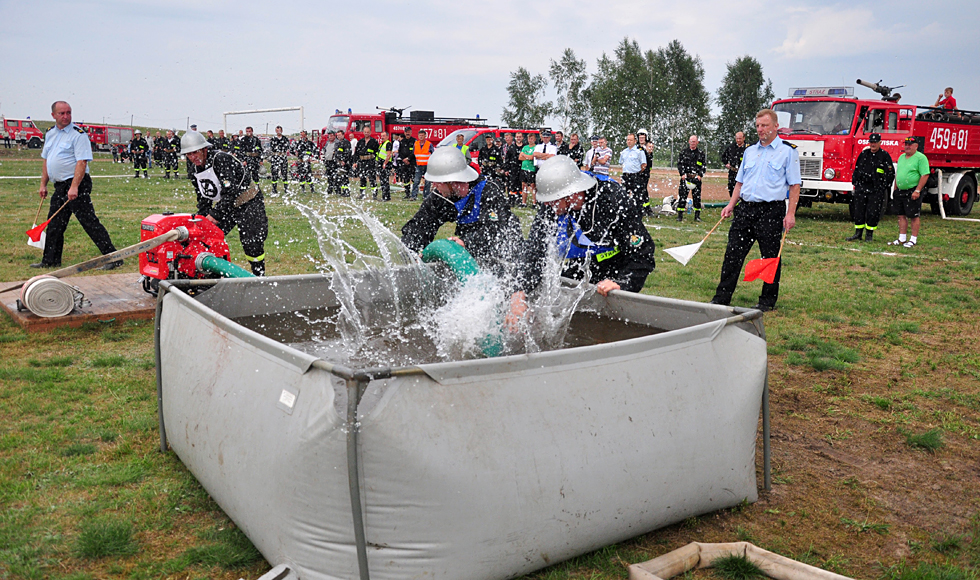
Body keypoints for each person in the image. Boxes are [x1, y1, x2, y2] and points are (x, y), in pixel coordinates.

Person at [520, 155, 656, 296]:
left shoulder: (613, 201)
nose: (547, 205)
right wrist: (520, 290)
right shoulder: (553, 204)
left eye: (551, 200)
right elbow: (534, 250)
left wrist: (623, 283)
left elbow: (643, 254)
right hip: (582, 262)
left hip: (616, 267)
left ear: (570, 194)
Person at [710, 109, 801, 312]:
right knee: (732, 254)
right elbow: (739, 182)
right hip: (745, 210)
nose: (760, 129)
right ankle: (721, 297)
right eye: (758, 126)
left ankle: (767, 301)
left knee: (769, 257)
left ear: (776, 126)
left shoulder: (787, 151)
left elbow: (795, 186)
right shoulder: (750, 151)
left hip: (770, 211)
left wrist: (790, 213)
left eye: (765, 125)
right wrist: (731, 205)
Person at [401, 146, 523, 277]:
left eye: (437, 183)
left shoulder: (488, 191)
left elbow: (497, 230)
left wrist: (466, 242)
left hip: (506, 257)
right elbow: (420, 224)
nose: (434, 186)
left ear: (452, 181)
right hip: (471, 257)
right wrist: (410, 251)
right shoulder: (442, 196)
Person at [33, 101, 120, 270]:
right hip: (59, 185)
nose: (66, 116)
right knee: (54, 223)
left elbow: (81, 162)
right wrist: (43, 184)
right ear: (53, 115)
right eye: (62, 113)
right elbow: (47, 160)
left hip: (76, 183)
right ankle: (50, 261)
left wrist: (74, 187)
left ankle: (113, 258)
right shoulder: (50, 134)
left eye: (68, 113)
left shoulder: (78, 135)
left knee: (89, 222)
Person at [181, 131, 268, 276]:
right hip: (228, 204)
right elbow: (203, 197)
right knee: (207, 238)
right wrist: (202, 219)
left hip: (249, 202)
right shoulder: (194, 169)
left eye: (195, 153)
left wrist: (215, 214)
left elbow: (231, 190)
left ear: (204, 149)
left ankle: (259, 276)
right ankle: (211, 273)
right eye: (189, 155)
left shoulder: (220, 159)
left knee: (251, 243)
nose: (193, 157)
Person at [847, 133, 895, 242]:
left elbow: (890, 173)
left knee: (873, 212)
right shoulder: (864, 154)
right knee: (858, 211)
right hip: (862, 188)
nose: (873, 145)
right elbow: (857, 168)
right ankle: (858, 233)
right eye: (871, 142)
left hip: (876, 190)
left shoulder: (884, 156)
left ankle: (869, 235)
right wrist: (856, 183)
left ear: (879, 143)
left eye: (875, 142)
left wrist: (884, 187)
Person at [887, 137, 930, 248]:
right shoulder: (901, 157)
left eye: (910, 144)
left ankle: (913, 239)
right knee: (901, 215)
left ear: (916, 146)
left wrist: (917, 190)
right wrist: (895, 188)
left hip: (912, 190)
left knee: (913, 215)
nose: (907, 146)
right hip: (900, 191)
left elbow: (925, 174)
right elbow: (898, 174)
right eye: (906, 144)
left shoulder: (921, 158)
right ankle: (902, 238)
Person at [676, 135, 706, 222]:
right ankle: (680, 215)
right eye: (691, 141)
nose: (693, 143)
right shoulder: (684, 152)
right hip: (685, 178)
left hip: (696, 179)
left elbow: (703, 166)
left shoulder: (701, 153)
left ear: (697, 142)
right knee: (682, 197)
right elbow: (679, 164)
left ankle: (697, 216)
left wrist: (700, 175)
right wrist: (682, 174)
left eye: (694, 141)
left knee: (697, 198)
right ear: (689, 142)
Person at [618, 133, 647, 200]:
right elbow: (621, 163)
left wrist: (637, 172)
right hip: (626, 176)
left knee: (636, 195)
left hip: (635, 176)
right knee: (624, 195)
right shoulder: (624, 152)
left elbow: (644, 164)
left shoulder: (639, 151)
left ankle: (636, 209)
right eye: (628, 140)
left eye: (631, 140)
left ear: (635, 141)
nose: (629, 141)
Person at [353, 126, 379, 198]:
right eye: (365, 132)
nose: (366, 133)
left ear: (370, 132)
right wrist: (355, 162)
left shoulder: (374, 142)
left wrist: (376, 162)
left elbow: (377, 152)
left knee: (372, 178)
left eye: (368, 132)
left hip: (371, 162)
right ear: (363, 132)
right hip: (362, 162)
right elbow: (356, 153)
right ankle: (362, 194)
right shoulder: (360, 142)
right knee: (362, 178)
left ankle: (374, 194)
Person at [721, 132, 747, 198]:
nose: (738, 140)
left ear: (744, 138)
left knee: (743, 188)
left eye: (740, 138)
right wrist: (726, 163)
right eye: (737, 138)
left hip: (744, 172)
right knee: (731, 187)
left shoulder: (748, 148)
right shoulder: (731, 147)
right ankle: (733, 203)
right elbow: (723, 157)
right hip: (733, 172)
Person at [411, 129, 433, 200]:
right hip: (419, 165)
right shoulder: (416, 144)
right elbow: (413, 154)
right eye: (420, 135)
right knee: (416, 181)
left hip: (427, 166)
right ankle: (413, 196)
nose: (421, 137)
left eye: (422, 135)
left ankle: (425, 196)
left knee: (427, 182)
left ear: (425, 136)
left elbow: (433, 154)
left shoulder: (429, 144)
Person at [518, 132, 539, 205]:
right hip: (523, 168)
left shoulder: (536, 147)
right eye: (529, 138)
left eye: (532, 138)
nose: (530, 140)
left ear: (535, 139)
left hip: (531, 169)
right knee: (524, 185)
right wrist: (527, 156)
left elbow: (532, 157)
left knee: (533, 186)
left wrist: (525, 156)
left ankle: (534, 202)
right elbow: (520, 157)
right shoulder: (525, 147)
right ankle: (524, 202)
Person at [636, 129, 654, 213]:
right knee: (638, 190)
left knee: (643, 189)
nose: (641, 139)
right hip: (637, 172)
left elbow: (649, 161)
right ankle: (640, 207)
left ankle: (646, 208)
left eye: (643, 137)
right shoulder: (636, 147)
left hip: (645, 173)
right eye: (640, 137)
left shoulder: (647, 146)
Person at [269, 126, 290, 194]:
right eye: (277, 131)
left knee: (284, 173)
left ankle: (286, 189)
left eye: (279, 130)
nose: (278, 132)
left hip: (283, 157)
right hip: (275, 157)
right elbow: (272, 147)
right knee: (274, 173)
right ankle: (274, 189)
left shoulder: (285, 139)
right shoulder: (273, 139)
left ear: (282, 131)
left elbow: (287, 146)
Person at [334, 130, 352, 197]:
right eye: (337, 135)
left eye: (339, 135)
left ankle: (347, 192)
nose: (338, 136)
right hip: (339, 163)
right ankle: (343, 191)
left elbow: (348, 153)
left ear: (343, 135)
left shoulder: (346, 142)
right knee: (340, 178)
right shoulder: (338, 143)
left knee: (345, 178)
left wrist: (344, 160)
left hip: (344, 163)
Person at [376, 131, 392, 201]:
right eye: (381, 136)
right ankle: (386, 196)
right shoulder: (382, 144)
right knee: (383, 180)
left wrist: (385, 163)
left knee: (384, 181)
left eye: (384, 136)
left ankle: (385, 197)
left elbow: (388, 155)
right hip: (382, 163)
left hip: (385, 164)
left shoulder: (388, 144)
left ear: (387, 136)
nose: (382, 137)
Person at [400, 128, 417, 196]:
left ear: (411, 133)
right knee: (406, 179)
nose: (407, 133)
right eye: (406, 132)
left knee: (413, 179)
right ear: (404, 133)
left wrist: (408, 159)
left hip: (412, 163)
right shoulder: (402, 141)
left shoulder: (414, 141)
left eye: (409, 132)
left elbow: (415, 152)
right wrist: (404, 159)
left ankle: (414, 194)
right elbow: (400, 151)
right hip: (404, 163)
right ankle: (407, 194)